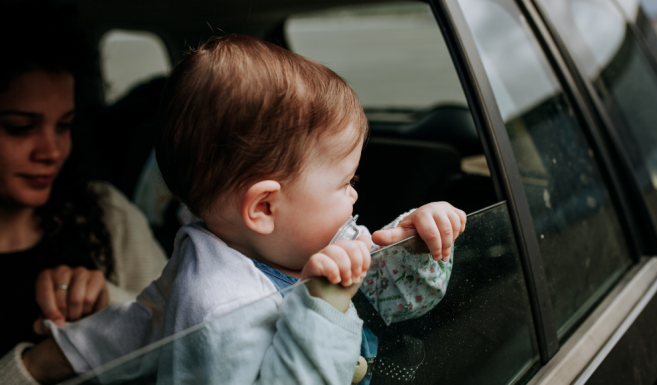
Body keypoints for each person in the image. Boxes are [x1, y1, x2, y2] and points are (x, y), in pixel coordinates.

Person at [18, 34, 466, 384]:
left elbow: (398, 300)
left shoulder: (289, 243)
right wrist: (324, 311)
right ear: (265, 207)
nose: (354, 198)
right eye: (347, 182)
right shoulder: (219, 312)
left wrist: (417, 241)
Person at [0, 2, 168, 383]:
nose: (52, 151)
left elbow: (183, 328)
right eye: (19, 128)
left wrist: (108, 305)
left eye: (64, 126)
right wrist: (35, 367)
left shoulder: (105, 213)